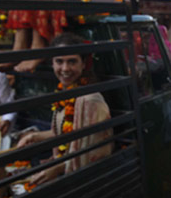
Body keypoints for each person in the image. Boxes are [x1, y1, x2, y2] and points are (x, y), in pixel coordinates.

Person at [16, 33, 113, 185]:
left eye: (72, 61)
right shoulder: (65, 93)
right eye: (59, 61)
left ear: (83, 64)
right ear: (52, 63)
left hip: (84, 181)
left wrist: (57, 168)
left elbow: (92, 151)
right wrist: (34, 137)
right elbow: (64, 134)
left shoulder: (91, 101)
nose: (65, 68)